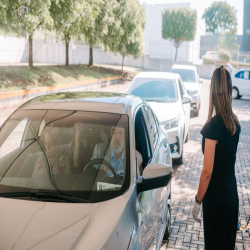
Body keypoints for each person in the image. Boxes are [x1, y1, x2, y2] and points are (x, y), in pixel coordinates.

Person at [192, 66, 241, 250]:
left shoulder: (213, 127)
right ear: (229, 90)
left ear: (212, 91)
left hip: (216, 199)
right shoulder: (235, 124)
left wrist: (197, 200)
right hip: (231, 195)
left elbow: (207, 172)